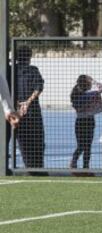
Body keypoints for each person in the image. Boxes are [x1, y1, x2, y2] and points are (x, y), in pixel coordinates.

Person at [16, 45, 47, 175]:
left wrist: (18, 104)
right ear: (29, 57)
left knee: (23, 140)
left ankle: (29, 167)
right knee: (37, 139)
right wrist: (27, 103)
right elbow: (38, 87)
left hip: (16, 110)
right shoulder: (33, 70)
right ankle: (38, 167)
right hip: (32, 110)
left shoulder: (11, 70)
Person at [70, 75, 102, 169]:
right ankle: (75, 163)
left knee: (85, 146)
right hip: (86, 121)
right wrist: (94, 81)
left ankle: (84, 166)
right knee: (84, 146)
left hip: (83, 121)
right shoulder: (86, 95)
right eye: (89, 83)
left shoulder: (79, 94)